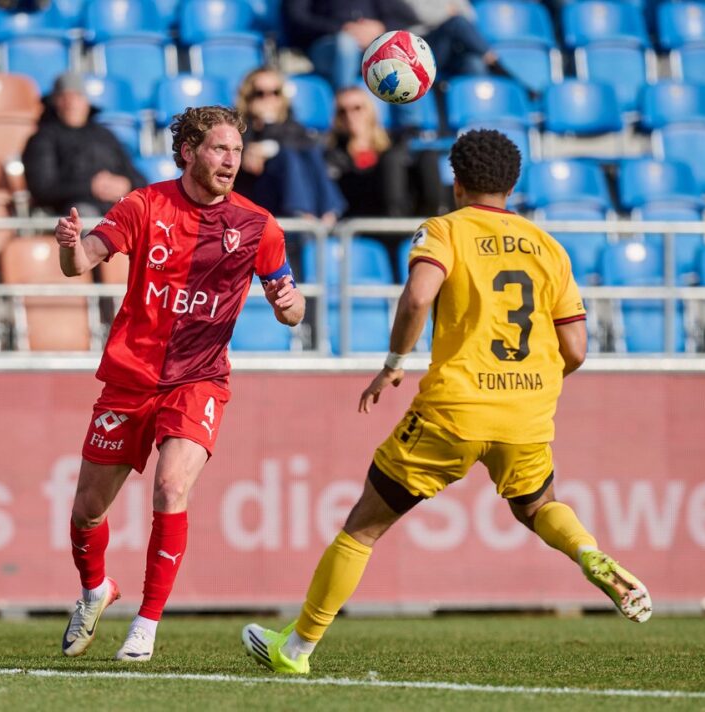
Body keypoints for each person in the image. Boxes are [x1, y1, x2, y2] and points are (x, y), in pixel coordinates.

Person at [241, 129, 652, 675]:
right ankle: (588, 553)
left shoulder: (444, 230)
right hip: (527, 411)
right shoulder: (549, 247)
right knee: (537, 505)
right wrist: (530, 380)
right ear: (512, 184)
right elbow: (574, 347)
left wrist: (392, 364)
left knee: (363, 527)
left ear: (455, 182)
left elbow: (417, 295)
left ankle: (296, 649)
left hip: (454, 407)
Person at [53, 105, 305, 662]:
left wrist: (292, 305)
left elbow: (291, 304)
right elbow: (81, 262)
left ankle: (146, 623)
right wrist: (70, 244)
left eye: (237, 152)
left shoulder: (258, 225)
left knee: (171, 487)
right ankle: (96, 589)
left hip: (200, 378)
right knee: (86, 512)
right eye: (219, 149)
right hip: (129, 378)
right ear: (188, 151)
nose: (231, 161)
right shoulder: (145, 205)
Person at [23, 72, 146, 217]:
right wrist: (90, 187)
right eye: (64, 97)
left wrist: (127, 184)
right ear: (55, 102)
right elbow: (42, 189)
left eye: (77, 96)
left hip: (116, 208)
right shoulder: (43, 138)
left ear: (86, 102)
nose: (71, 103)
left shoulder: (105, 135)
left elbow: (139, 178)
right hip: (74, 215)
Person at [233, 67, 345, 225]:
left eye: (275, 92)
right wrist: (266, 126)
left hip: (290, 197)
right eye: (260, 93)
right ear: (248, 97)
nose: (268, 99)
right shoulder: (239, 128)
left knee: (310, 152)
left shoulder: (291, 125)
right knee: (286, 154)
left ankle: (329, 212)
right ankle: (301, 215)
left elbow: (306, 144)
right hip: (256, 196)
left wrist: (268, 146)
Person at [326, 86, 445, 219]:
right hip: (363, 216)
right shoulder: (334, 154)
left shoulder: (393, 144)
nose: (350, 116)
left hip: (401, 211)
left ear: (369, 110)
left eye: (357, 108)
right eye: (342, 111)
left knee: (426, 157)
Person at [284, 0, 418, 90]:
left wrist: (380, 27)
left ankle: (411, 127)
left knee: (400, 47)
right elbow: (297, 18)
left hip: (369, 47)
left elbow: (406, 17)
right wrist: (342, 29)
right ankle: (344, 107)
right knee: (346, 43)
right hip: (326, 47)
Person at [408, 0, 523, 83]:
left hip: (452, 47)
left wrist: (447, 15)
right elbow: (421, 15)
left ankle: (482, 113)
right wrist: (448, 13)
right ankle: (496, 63)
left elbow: (470, 16)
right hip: (423, 47)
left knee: (474, 63)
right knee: (456, 23)